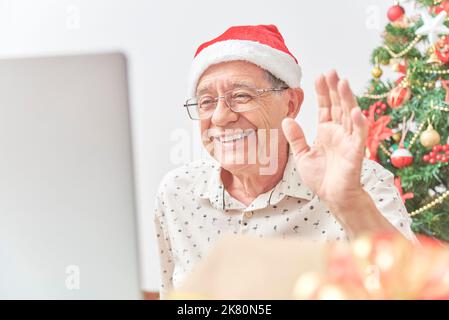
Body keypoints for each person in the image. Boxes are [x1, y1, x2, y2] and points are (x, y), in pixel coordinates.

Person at [153, 24, 416, 299]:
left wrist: (349, 202)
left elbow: (414, 289)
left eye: (241, 96)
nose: (220, 117)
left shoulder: (359, 183)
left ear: (290, 104)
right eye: (206, 101)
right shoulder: (177, 193)